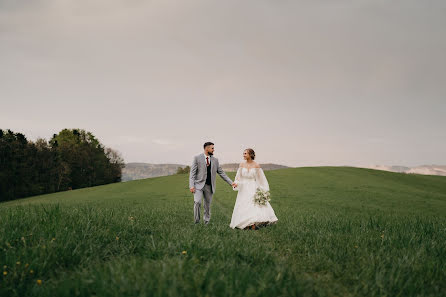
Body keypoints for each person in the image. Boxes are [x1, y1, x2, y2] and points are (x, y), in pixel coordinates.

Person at [230, 148, 278, 230]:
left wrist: (263, 190)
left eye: (245, 153)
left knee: (253, 205)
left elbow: (261, 179)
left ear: (250, 155)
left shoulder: (256, 165)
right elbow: (238, 177)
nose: (243, 155)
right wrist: (236, 183)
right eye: (243, 153)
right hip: (244, 188)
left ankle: (253, 224)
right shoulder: (241, 164)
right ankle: (245, 224)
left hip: (253, 187)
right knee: (243, 205)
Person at [189, 142, 236, 224]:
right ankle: (196, 222)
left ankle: (206, 222)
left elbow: (221, 173)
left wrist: (231, 183)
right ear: (206, 149)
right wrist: (191, 186)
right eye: (212, 148)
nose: (214, 150)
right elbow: (192, 173)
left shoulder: (215, 160)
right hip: (198, 185)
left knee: (207, 206)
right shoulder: (197, 158)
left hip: (209, 186)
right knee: (197, 202)